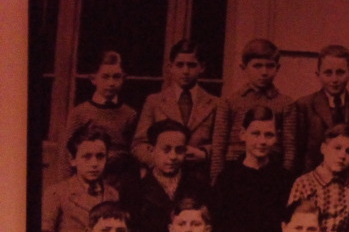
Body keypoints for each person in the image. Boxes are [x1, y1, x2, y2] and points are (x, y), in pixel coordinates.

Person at [209, 105, 294, 232]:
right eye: (255, 134)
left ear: (276, 138)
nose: (262, 141)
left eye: (268, 135)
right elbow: (217, 229)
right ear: (242, 134)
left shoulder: (284, 180)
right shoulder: (227, 178)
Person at [132, 38, 219, 182]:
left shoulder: (215, 103)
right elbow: (138, 145)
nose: (185, 71)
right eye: (180, 65)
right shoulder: (154, 101)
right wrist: (160, 162)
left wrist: (203, 153)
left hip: (199, 178)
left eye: (191, 65)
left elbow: (221, 144)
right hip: (160, 179)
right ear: (170, 67)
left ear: (202, 67)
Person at [210, 38, 296, 182]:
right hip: (235, 172)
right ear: (243, 67)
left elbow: (290, 150)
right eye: (257, 66)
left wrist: (285, 181)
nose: (264, 72)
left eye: (270, 66)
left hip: (271, 172)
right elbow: (218, 147)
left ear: (278, 68)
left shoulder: (285, 103)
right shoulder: (230, 102)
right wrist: (216, 180)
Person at [123, 119, 210, 232]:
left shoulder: (198, 187)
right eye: (166, 149)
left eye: (179, 150)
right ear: (152, 150)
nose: (173, 156)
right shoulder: (134, 190)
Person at [58, 50, 138, 192]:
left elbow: (134, 150)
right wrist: (66, 188)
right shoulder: (80, 113)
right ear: (93, 79)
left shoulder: (130, 113)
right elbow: (67, 154)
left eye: (116, 77)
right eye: (105, 77)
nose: (111, 83)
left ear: (123, 79)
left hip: (120, 181)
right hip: (88, 179)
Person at [288, 123, 349, 232]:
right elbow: (291, 230)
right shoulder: (304, 183)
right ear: (323, 148)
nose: (342, 155)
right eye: (337, 148)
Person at [294, 44, 349, 173]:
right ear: (318, 74)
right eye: (328, 73)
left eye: (340, 72)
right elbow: (299, 151)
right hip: (314, 178)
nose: (334, 79)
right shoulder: (305, 105)